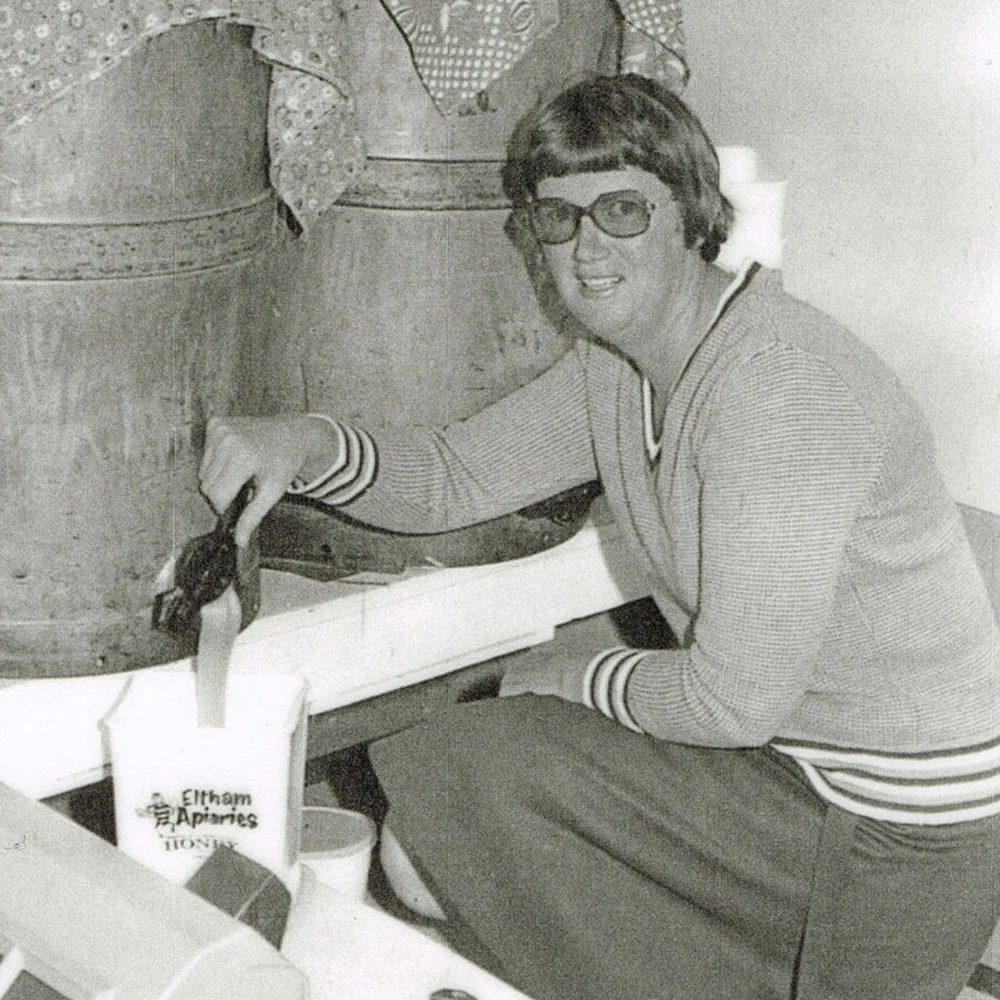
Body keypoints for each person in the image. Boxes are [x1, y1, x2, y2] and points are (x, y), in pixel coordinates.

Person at [199, 75, 1000, 1000]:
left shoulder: (781, 393)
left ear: (694, 214)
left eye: (621, 210)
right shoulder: (621, 368)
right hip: (790, 773)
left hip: (911, 827)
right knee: (451, 794)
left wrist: (567, 677)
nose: (585, 250)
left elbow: (729, 704)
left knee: (510, 750)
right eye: (557, 217)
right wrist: (306, 442)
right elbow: (454, 476)